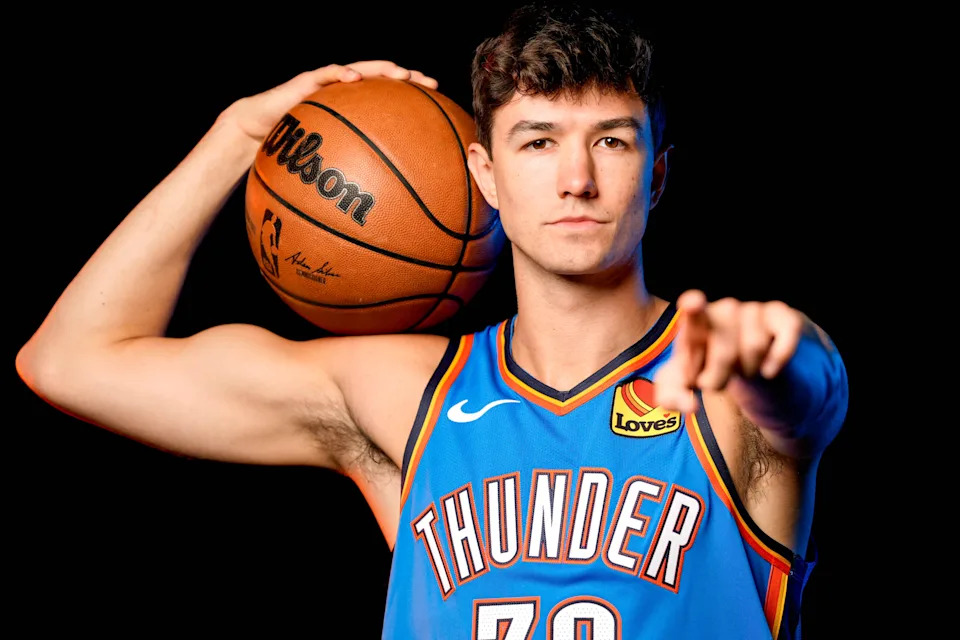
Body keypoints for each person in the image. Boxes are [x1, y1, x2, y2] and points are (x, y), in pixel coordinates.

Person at [16, 3, 847, 638]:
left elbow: (806, 390)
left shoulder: (728, 384)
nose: (576, 179)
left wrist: (776, 355)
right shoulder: (407, 395)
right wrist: (239, 135)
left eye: (611, 142)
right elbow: (71, 361)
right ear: (484, 175)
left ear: (656, 175)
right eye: (537, 142)